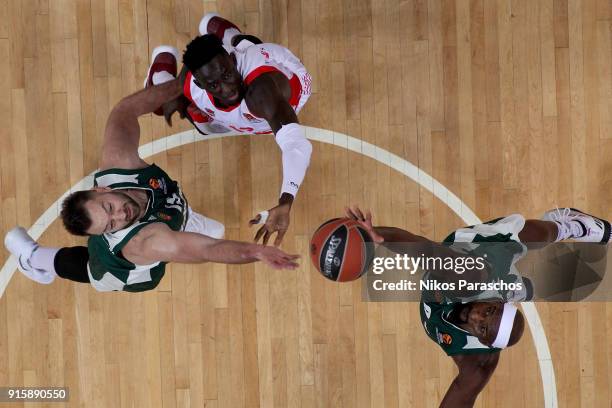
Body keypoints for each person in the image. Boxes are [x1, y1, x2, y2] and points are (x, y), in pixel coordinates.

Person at [4, 80, 299, 292]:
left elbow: (126, 109)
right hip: (128, 269)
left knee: (211, 229)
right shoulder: (146, 242)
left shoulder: (119, 162)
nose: (121, 217)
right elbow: (209, 248)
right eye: (111, 225)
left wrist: (187, 82)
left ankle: (36, 256)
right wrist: (256, 252)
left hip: (171, 213)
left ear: (102, 189)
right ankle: (33, 258)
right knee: (93, 270)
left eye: (110, 208)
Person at [344, 205, 610, 407]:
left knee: (523, 285)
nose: (477, 316)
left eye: (482, 327)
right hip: (477, 252)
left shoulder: (478, 362)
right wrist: (379, 237)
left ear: (483, 340)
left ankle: (522, 288)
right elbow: (424, 250)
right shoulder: (467, 278)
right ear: (496, 302)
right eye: (490, 311)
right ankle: (568, 225)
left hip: (489, 287)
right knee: (528, 236)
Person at [146, 13, 313, 247]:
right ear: (199, 83)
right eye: (213, 84)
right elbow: (189, 77)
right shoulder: (192, 84)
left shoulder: (261, 92)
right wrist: (170, 93)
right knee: (160, 104)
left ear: (231, 60)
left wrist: (286, 200)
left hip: (291, 87)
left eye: (226, 75)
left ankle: (232, 37)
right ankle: (160, 72)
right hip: (233, 107)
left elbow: (297, 145)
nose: (227, 88)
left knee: (248, 44)